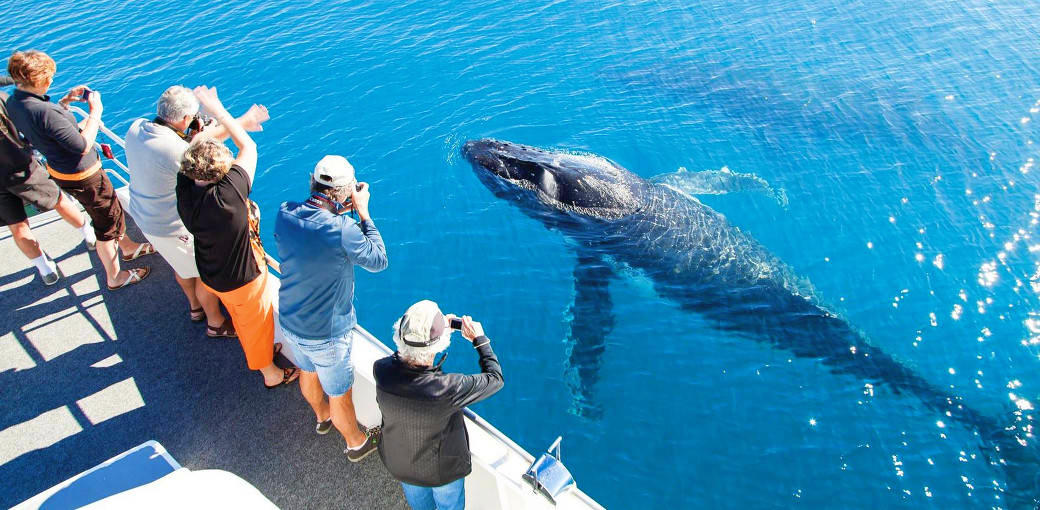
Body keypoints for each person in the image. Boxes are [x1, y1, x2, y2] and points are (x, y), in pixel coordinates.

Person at [175, 85, 298, 389]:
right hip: (241, 278)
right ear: (221, 171)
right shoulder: (228, 197)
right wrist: (218, 110)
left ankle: (261, 351)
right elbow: (249, 148)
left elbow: (196, 147)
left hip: (210, 269)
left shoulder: (185, 188)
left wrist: (222, 120)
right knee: (254, 324)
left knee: (243, 318)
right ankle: (270, 372)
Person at [125, 85, 268, 336]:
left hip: (145, 216)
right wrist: (242, 122)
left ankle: (194, 308)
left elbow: (189, 147)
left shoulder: (137, 128)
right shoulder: (179, 154)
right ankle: (215, 323)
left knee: (181, 267)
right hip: (170, 225)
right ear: (183, 119)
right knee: (203, 275)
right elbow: (197, 152)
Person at [5, 50, 155, 290]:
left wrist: (64, 103)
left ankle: (127, 247)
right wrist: (95, 111)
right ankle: (115, 277)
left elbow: (48, 132)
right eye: (49, 76)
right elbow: (83, 145)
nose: (52, 80)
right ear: (40, 80)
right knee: (105, 225)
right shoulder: (44, 111)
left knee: (109, 214)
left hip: (60, 171)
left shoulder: (14, 101)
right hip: (84, 175)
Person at [274, 155, 388, 461]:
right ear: (344, 192)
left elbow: (312, 232)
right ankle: (356, 443)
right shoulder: (343, 229)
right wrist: (362, 213)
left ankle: (321, 417)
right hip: (326, 333)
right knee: (341, 393)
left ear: (312, 181)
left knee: (307, 370)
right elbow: (378, 260)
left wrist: (340, 210)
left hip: (290, 318)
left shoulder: (285, 212)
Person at [374, 300, 505, 510]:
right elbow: (495, 378)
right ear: (439, 345)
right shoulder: (447, 389)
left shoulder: (381, 370)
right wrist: (479, 340)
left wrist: (436, 334)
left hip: (400, 461)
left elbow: (399, 357)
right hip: (441, 472)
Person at [1, 78, 95, 285]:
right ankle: (88, 234)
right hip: (21, 168)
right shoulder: (4, 102)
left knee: (17, 226)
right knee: (59, 200)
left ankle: (46, 270)